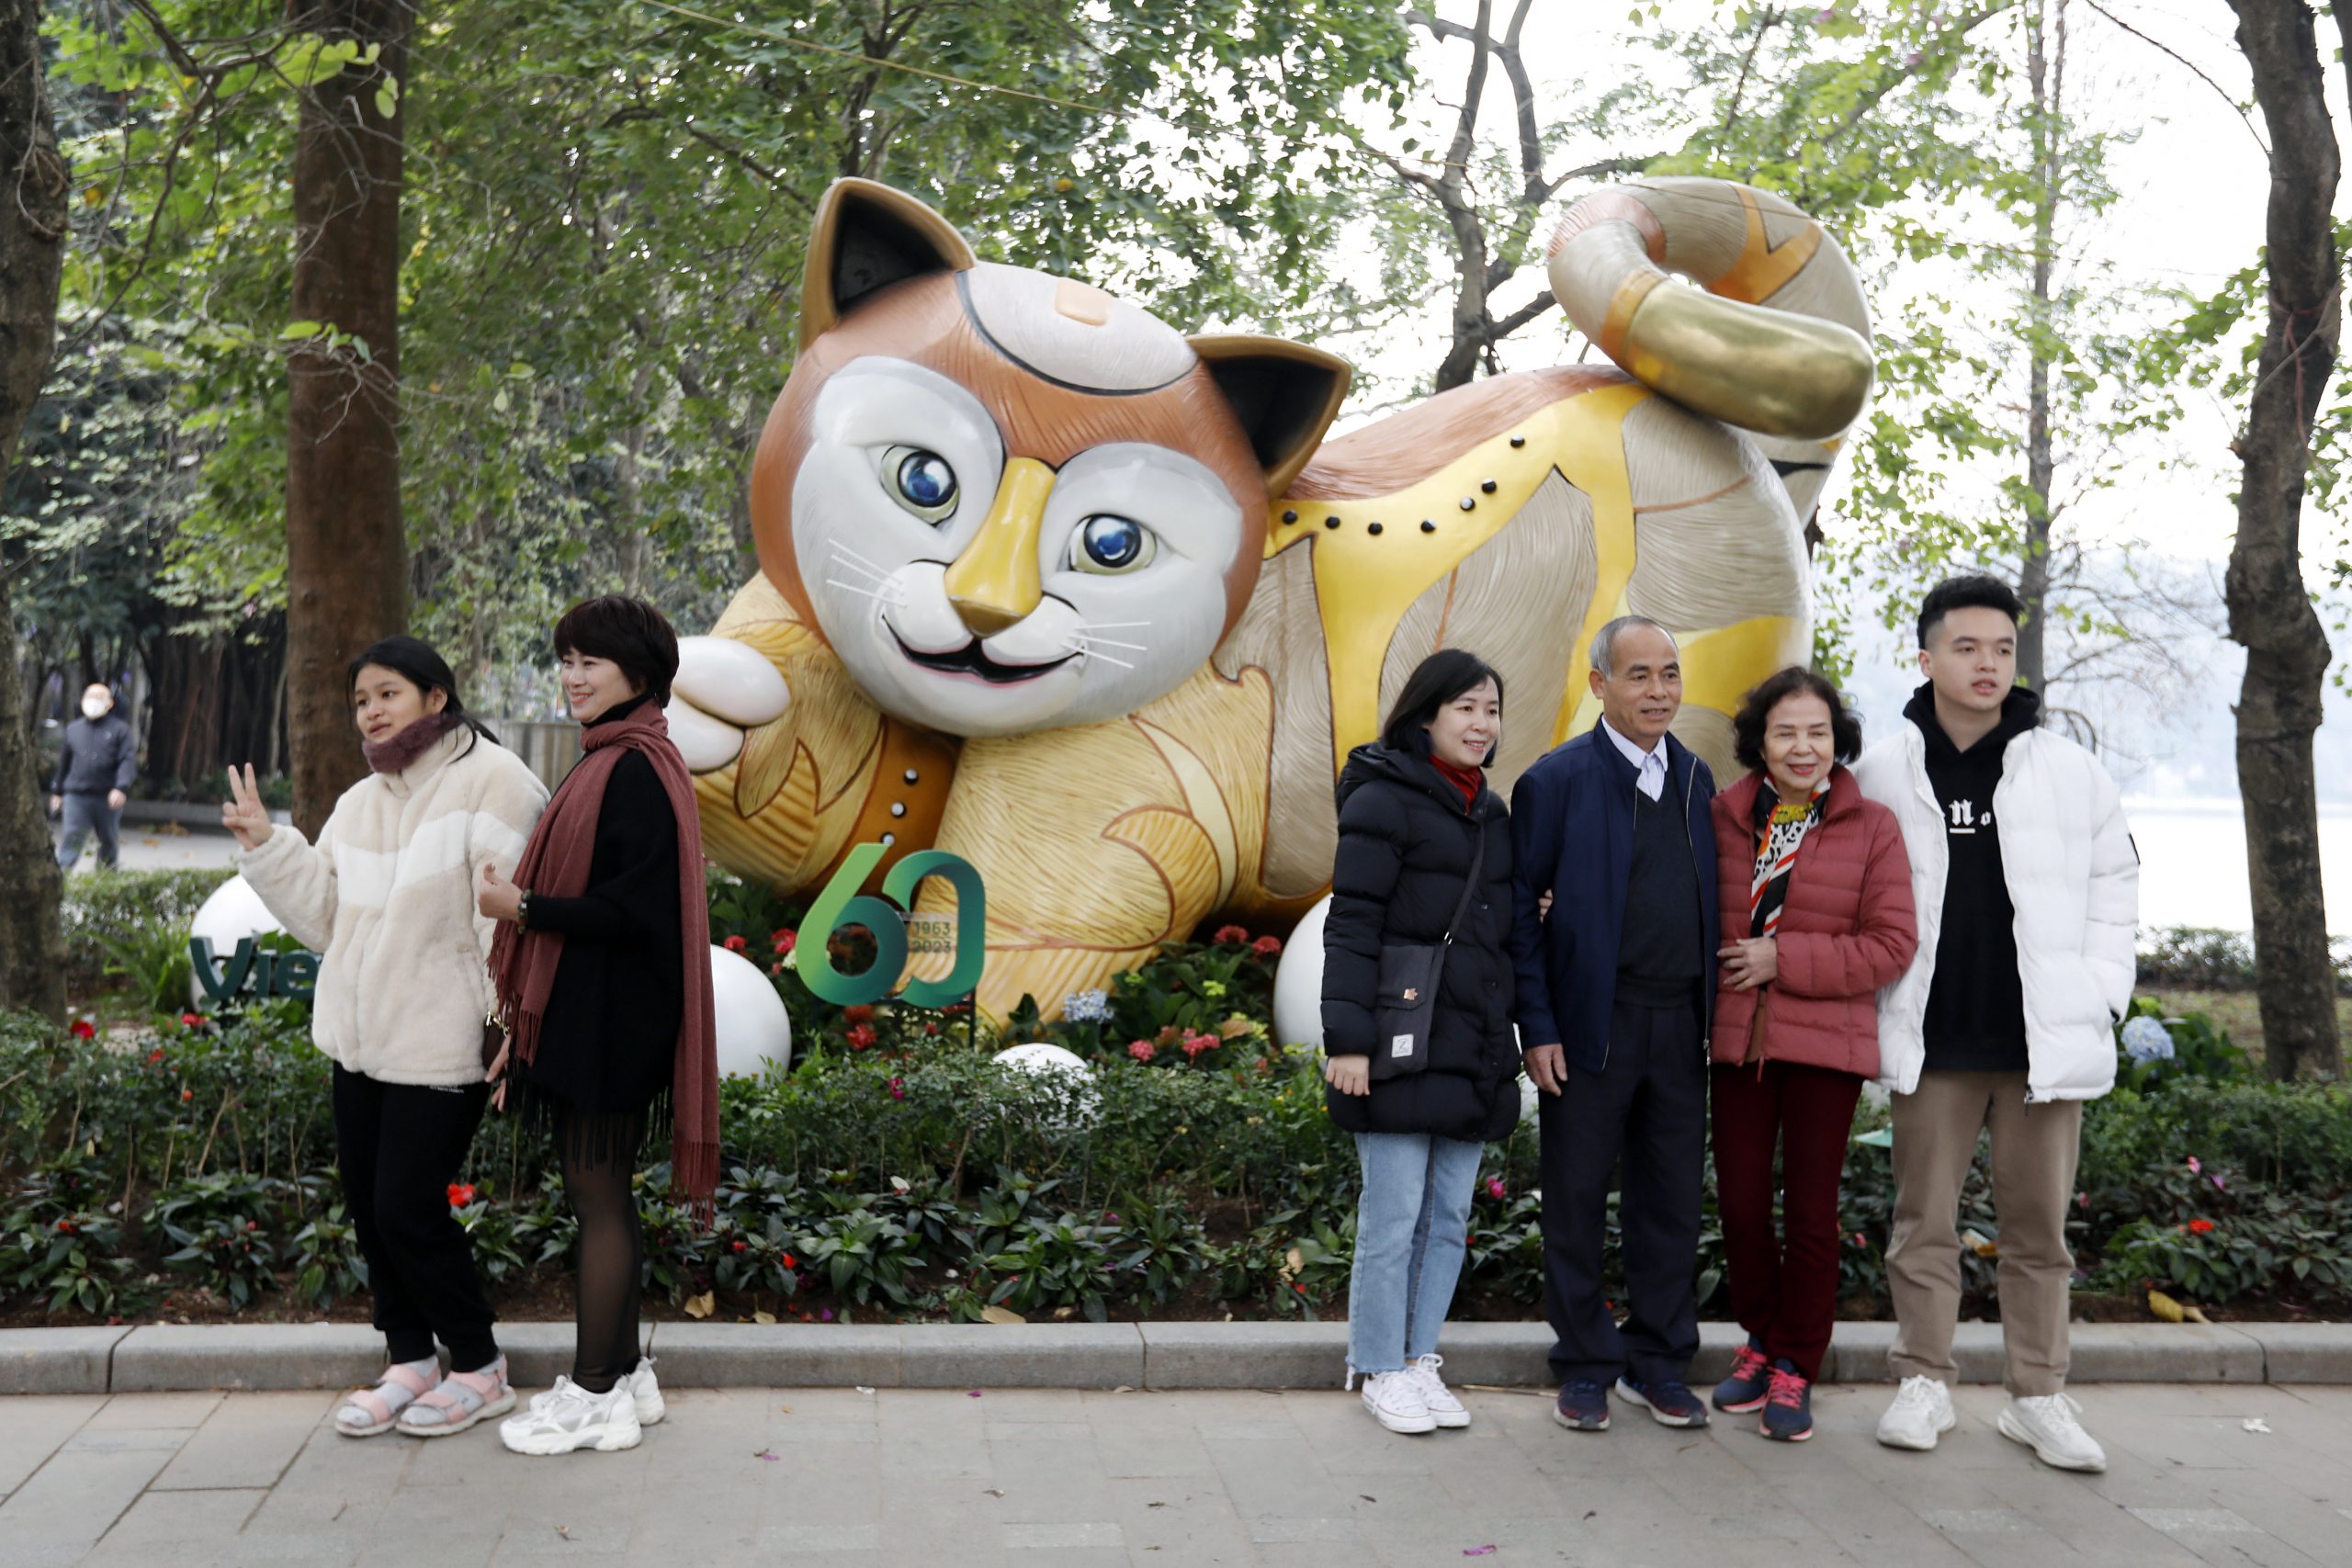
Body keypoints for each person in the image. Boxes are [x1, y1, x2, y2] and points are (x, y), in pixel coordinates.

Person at [223, 637, 549, 1438]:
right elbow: (327, 920)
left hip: (442, 1042)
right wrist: (268, 845)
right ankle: (410, 1356)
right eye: (360, 698)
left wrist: (506, 1024)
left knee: (408, 1207)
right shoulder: (362, 800)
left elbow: (506, 924)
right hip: (359, 1042)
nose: (371, 709)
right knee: (371, 1209)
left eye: (387, 692)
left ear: (437, 696)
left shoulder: (495, 782)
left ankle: (478, 1364)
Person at [1853, 574, 2137, 1472]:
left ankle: (2037, 1397)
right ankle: (1924, 1379)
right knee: (1921, 1222)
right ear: (1927, 655)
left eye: (2002, 649)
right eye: (1966, 646)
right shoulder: (1881, 769)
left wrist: (2099, 995)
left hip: (2037, 1045)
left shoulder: (2063, 766)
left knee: (2038, 1232)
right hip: (1930, 1039)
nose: (1986, 664)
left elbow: (2113, 888)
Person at [481, 595, 718, 1458]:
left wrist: (524, 905)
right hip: (601, 1012)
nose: (573, 677)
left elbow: (631, 908)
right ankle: (622, 1377)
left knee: (600, 1196)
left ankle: (592, 1393)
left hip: (615, 1019)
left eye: (591, 661)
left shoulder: (632, 765)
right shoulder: (615, 757)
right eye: (568, 660)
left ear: (640, 674)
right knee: (602, 1194)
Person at [1510, 615, 1717, 1433]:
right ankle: (1587, 1363)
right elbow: (1523, 916)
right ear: (1599, 683)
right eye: (1639, 675)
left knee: (1669, 1203)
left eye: (1669, 673)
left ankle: (1659, 1362)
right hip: (1590, 1027)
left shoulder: (1700, 780)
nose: (1658, 690)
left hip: (1682, 1027)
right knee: (1574, 1197)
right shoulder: (1555, 781)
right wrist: (1539, 1025)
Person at [1707, 668, 1917, 1442]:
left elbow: (1891, 944)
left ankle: (1798, 1361)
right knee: (1738, 1205)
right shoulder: (1724, 818)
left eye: (1818, 731)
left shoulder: (1873, 825)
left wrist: (1780, 958)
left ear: (1839, 739)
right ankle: (1762, 1338)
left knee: (1811, 1214)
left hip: (1826, 1047)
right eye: (1786, 731)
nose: (1804, 746)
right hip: (1737, 1043)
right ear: (1759, 741)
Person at [1322, 650, 1520, 1437]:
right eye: (1466, 706)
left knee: (1446, 1216)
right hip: (1399, 1037)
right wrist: (1348, 1040)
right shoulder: (1382, 800)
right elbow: (1353, 922)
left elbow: (1500, 930)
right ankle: (1376, 1362)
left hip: (1470, 1038)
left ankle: (1416, 1356)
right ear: (1426, 715)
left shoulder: (1491, 814)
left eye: (1492, 709)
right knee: (1394, 1212)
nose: (1481, 723)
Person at [51, 682, 137, 871]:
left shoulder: (120, 730)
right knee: (72, 838)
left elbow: (127, 761)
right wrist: (57, 792)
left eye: (99, 697)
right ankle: (61, 880)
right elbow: (63, 763)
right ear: (82, 700)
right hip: (76, 796)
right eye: (90, 696)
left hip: (107, 796)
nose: (93, 701)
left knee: (108, 841)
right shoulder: (73, 730)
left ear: (110, 703)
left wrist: (121, 788)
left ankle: (106, 881)